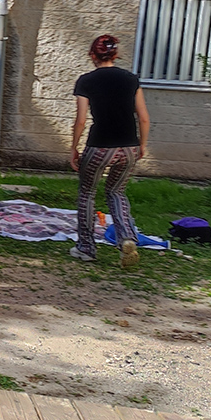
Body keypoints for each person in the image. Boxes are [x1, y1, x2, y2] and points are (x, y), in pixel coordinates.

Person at [69, 34, 151, 269]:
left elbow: (81, 120)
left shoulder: (86, 81)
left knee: (87, 192)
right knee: (117, 192)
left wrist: (74, 148)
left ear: (92, 55)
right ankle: (126, 239)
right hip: (129, 147)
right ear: (115, 54)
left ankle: (86, 248)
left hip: (99, 146)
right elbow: (144, 118)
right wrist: (142, 145)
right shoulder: (130, 79)